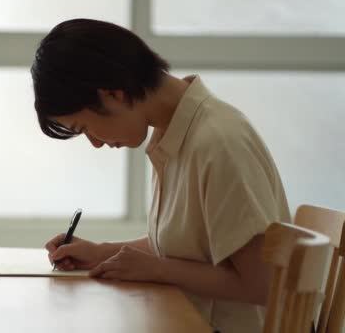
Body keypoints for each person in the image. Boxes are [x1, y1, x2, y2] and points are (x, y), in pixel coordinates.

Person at [31, 18, 290, 333]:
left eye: (85, 128)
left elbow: (262, 284)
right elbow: (192, 248)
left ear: (114, 95)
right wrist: (102, 253)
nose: (96, 143)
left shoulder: (218, 142)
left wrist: (157, 270)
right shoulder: (176, 133)